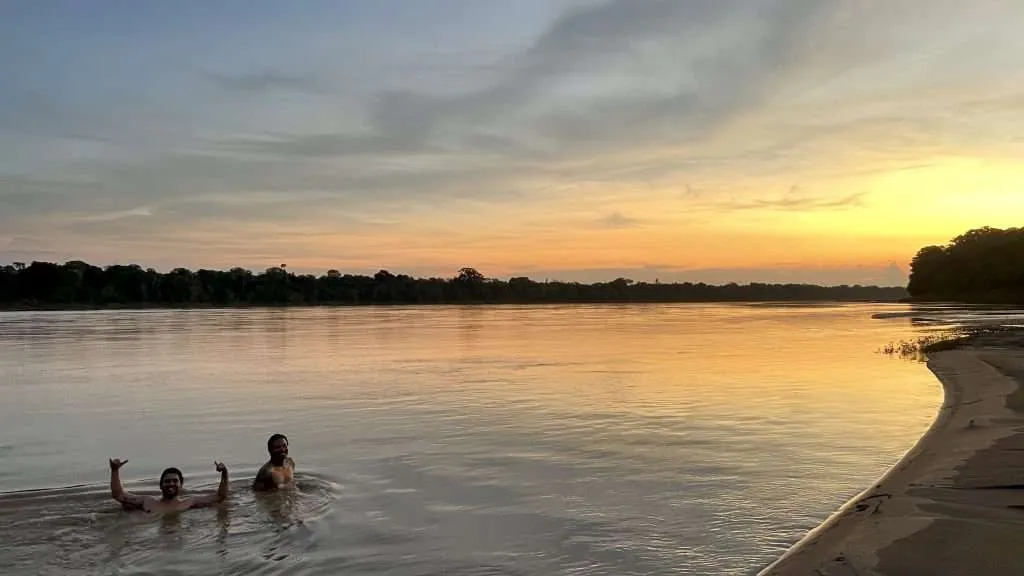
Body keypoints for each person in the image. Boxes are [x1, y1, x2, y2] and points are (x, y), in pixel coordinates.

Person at [109, 458, 229, 513]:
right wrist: (115, 471)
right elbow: (119, 495)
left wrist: (225, 473)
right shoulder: (147, 501)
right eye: (167, 481)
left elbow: (220, 497)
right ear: (160, 486)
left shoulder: (188, 503)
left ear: (181, 485)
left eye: (174, 481)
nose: (171, 484)